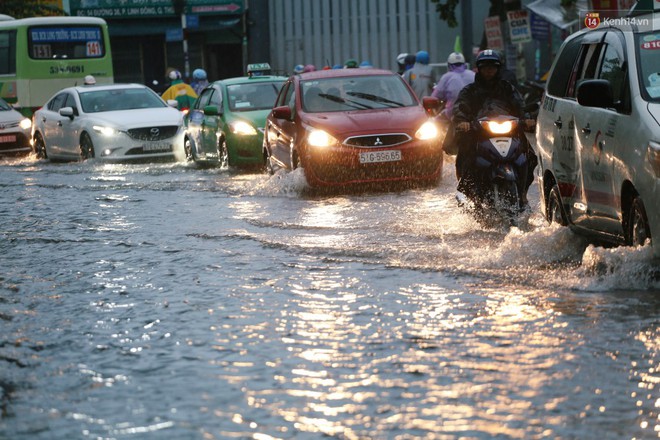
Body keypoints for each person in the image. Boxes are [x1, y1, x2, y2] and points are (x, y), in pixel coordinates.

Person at [452, 49, 536, 202]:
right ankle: (467, 192)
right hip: (478, 132)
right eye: (485, 67)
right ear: (479, 68)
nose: (489, 70)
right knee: (465, 154)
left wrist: (527, 119)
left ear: (498, 69)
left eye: (492, 67)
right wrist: (463, 122)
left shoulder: (507, 88)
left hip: (509, 131)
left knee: (530, 156)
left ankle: (523, 193)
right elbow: (460, 108)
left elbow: (521, 106)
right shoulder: (470, 90)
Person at [432, 52, 475, 119]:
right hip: (474, 113)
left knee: (434, 123)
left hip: (452, 113)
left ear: (449, 65)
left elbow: (435, 96)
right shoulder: (472, 74)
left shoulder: (447, 77)